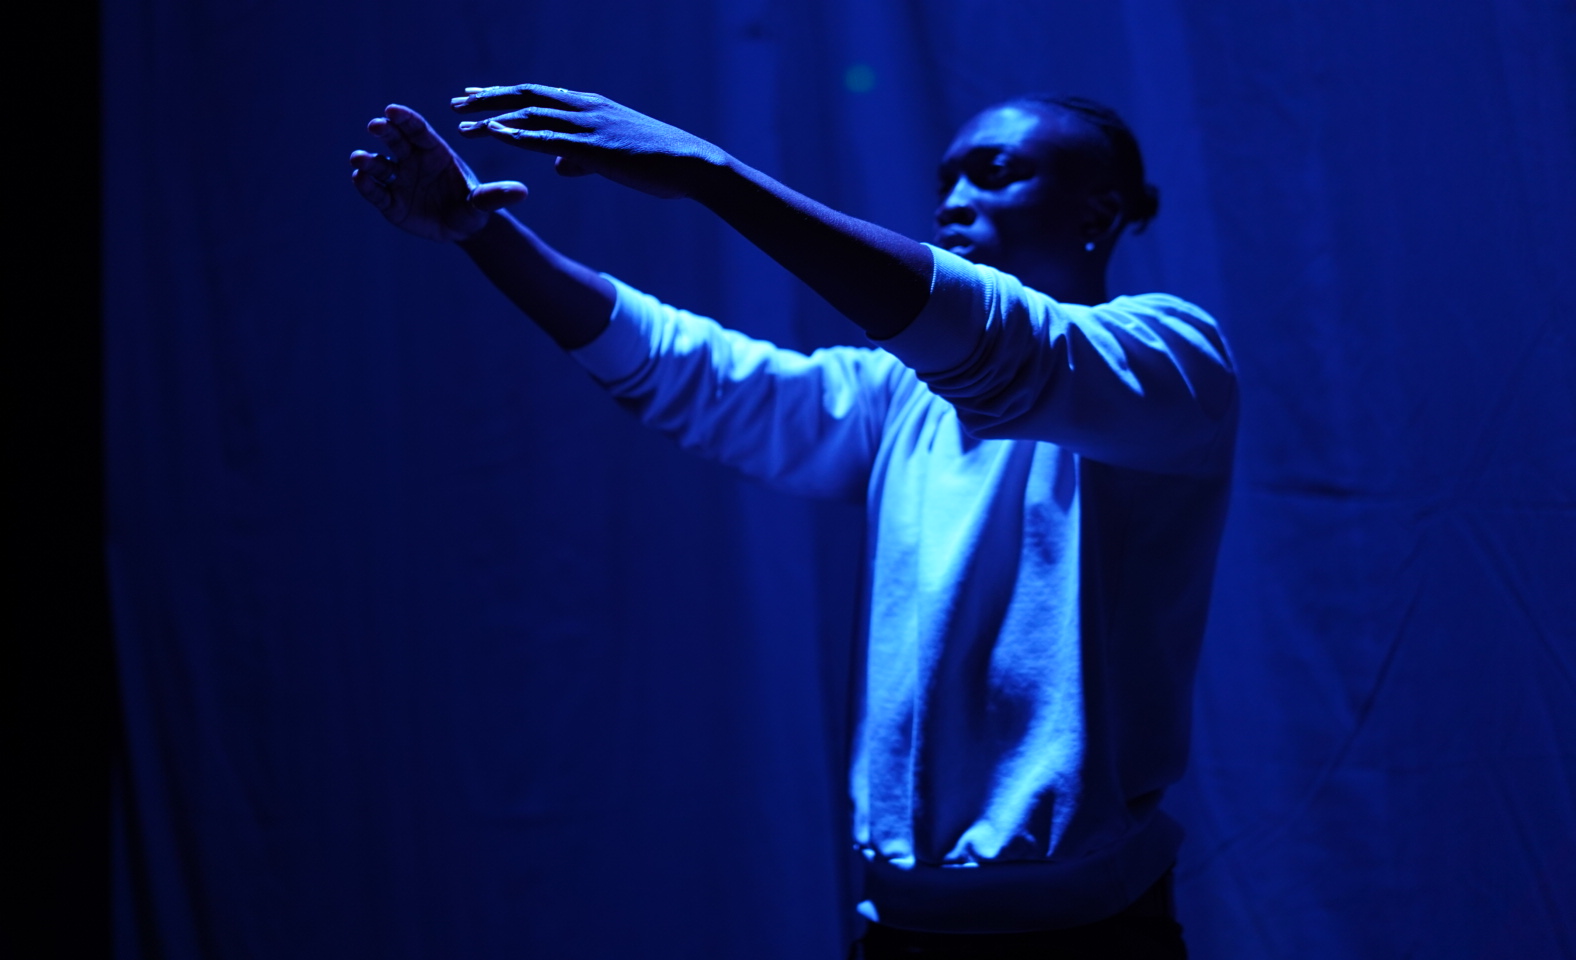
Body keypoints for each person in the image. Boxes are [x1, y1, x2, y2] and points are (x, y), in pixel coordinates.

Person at [349, 85, 1237, 959]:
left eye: (996, 172)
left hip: (1087, 938)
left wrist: (713, 175)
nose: (955, 201)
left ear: (1100, 210)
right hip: (901, 931)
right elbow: (696, 376)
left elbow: (1002, 350)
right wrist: (485, 234)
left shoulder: (1172, 360)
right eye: (947, 180)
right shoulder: (903, 396)